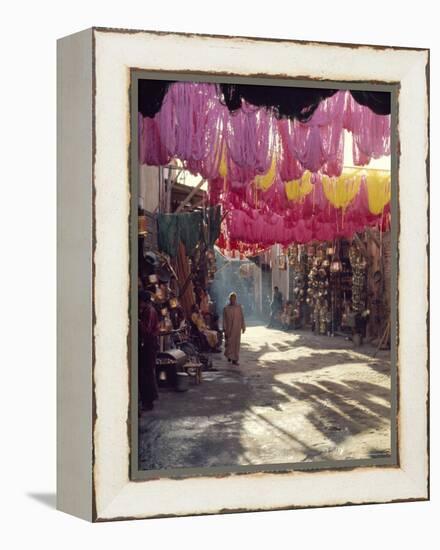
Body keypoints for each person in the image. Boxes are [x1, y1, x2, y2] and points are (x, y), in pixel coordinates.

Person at [138, 290, 160, 412]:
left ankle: (148, 401)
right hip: (149, 344)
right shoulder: (148, 310)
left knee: (146, 373)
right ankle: (149, 398)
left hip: (149, 344)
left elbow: (146, 330)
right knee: (147, 373)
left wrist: (138, 322)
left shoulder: (149, 311)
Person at [223, 292, 246, 365]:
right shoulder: (226, 308)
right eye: (231, 298)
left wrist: (243, 326)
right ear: (229, 299)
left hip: (237, 329)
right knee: (229, 343)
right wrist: (224, 328)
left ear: (236, 299)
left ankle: (235, 359)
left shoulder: (239, 307)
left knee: (236, 344)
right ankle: (230, 356)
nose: (233, 300)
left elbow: (242, 317)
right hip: (229, 329)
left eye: (234, 298)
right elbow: (224, 320)